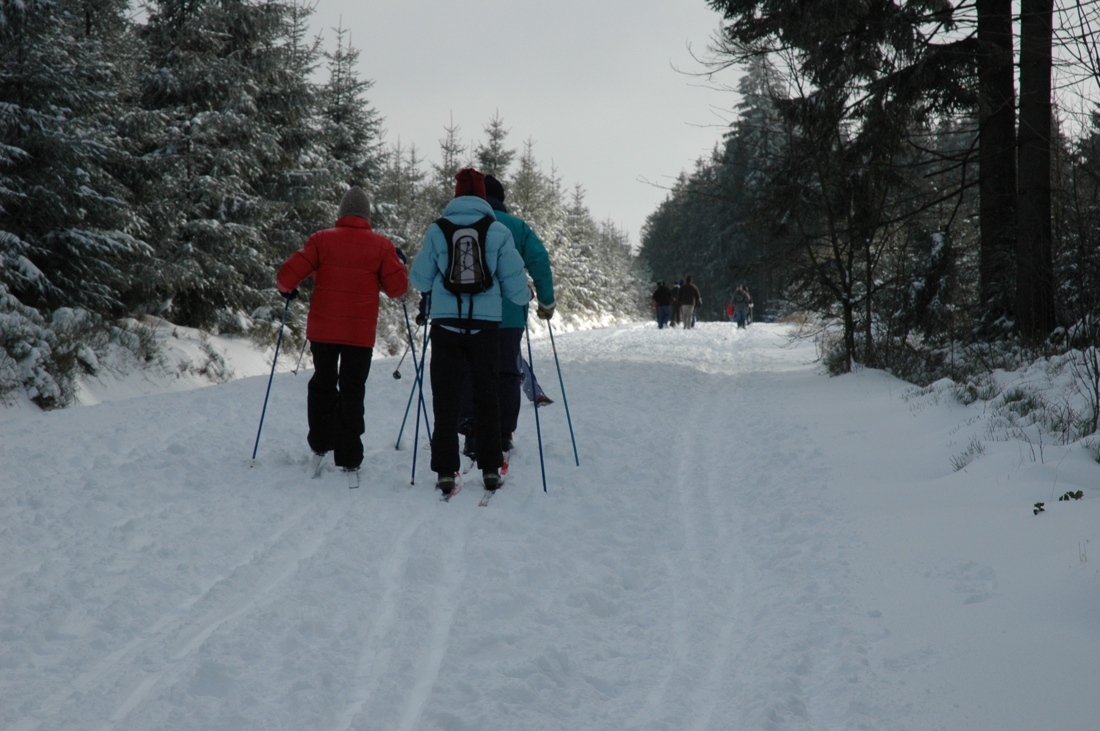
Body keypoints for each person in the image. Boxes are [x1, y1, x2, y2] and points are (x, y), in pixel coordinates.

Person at [409, 168, 530, 497]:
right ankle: (491, 469)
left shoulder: (438, 229)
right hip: (486, 326)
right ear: (482, 196)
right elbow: (515, 287)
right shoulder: (498, 231)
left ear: (456, 194)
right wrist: (527, 296)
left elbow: (419, 279)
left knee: (445, 399)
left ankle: (447, 472)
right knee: (486, 396)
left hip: (446, 324)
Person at [276, 186, 409, 488]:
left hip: (323, 329)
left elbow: (285, 278)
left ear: (341, 213)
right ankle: (349, 455)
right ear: (366, 215)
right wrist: (399, 264)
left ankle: (321, 442)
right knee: (352, 389)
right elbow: (397, 290)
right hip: (358, 334)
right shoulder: (381, 246)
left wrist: (288, 290)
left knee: (323, 382)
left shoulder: (321, 240)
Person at [457, 174, 556, 458]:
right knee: (507, 372)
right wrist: (546, 302)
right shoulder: (517, 227)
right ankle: (502, 433)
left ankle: (471, 430)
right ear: (502, 200)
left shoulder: (463, 224)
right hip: (510, 315)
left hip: (468, 313)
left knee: (470, 371)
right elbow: (539, 260)